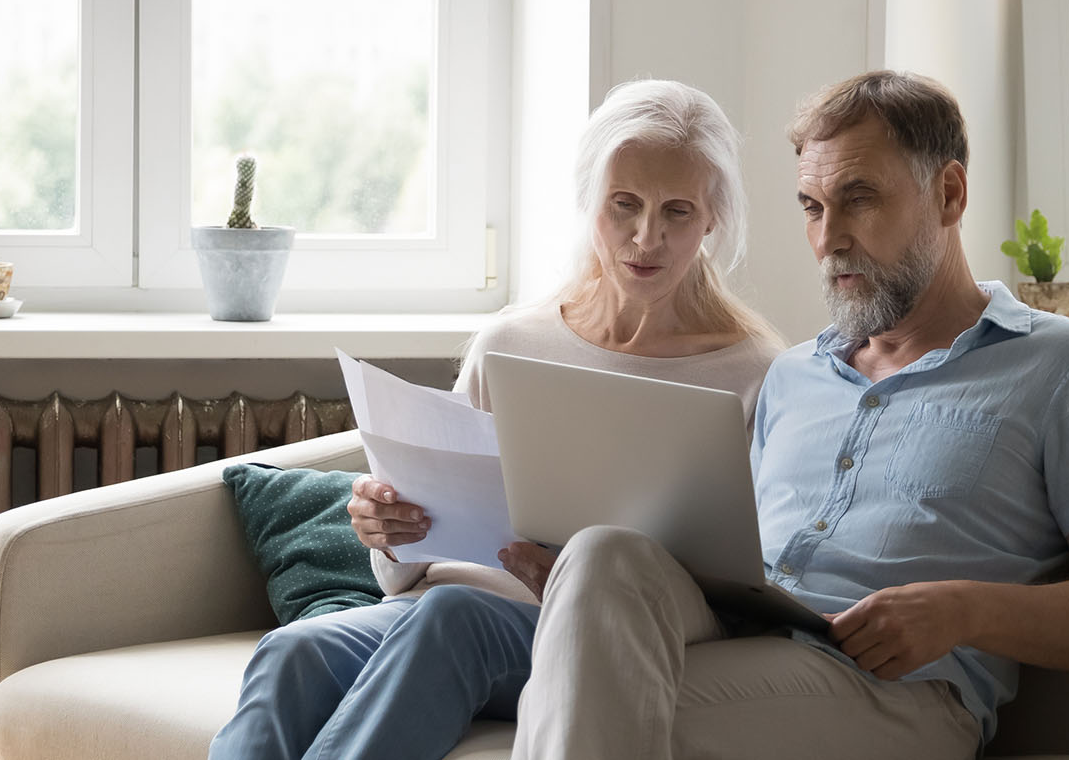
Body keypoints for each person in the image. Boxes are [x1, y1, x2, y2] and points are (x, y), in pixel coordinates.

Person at [511, 70, 1069, 759]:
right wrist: (576, 588)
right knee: (603, 554)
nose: (829, 237)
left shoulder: (1065, 365)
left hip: (897, 690)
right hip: (747, 636)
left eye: (858, 200)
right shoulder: (792, 375)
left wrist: (960, 609)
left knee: (597, 708)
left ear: (948, 195)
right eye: (811, 206)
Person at [208, 79, 784, 760]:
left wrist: (583, 584)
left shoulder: (754, 372)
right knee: (291, 653)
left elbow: (755, 586)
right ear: (589, 202)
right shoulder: (512, 342)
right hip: (439, 606)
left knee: (456, 620)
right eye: (623, 205)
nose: (645, 236)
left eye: (677, 212)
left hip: (583, 635)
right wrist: (389, 533)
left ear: (713, 217)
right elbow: (417, 560)